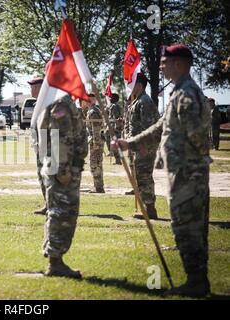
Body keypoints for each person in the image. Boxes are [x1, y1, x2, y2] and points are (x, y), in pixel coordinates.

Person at [113, 44, 212, 297]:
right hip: (183, 172)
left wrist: (187, 165)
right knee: (188, 226)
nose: (161, 66)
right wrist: (130, 142)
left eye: (165, 62)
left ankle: (196, 282)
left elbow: (198, 136)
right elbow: (160, 126)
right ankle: (198, 280)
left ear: (178, 64)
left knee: (186, 226)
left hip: (188, 174)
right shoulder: (179, 92)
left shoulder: (187, 94)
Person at [38, 95, 88, 278]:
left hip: (60, 166)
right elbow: (60, 137)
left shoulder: (58, 101)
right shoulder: (60, 103)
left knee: (59, 212)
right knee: (62, 214)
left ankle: (55, 259)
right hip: (62, 168)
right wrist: (64, 171)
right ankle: (56, 263)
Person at [126, 73, 160, 220]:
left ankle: (150, 210)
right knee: (140, 176)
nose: (129, 87)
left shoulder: (145, 101)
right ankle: (148, 208)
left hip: (144, 147)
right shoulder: (137, 101)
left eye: (132, 83)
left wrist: (144, 146)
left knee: (144, 177)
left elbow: (149, 126)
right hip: (138, 146)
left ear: (139, 85)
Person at [28, 75, 46, 215]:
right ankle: (48, 204)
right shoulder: (38, 104)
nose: (31, 89)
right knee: (42, 176)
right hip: (39, 146)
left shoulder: (47, 103)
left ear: (40, 87)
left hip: (48, 146)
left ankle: (54, 205)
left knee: (50, 176)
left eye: (33, 86)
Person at [84, 94, 105, 193]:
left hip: (95, 141)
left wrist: (96, 142)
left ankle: (99, 187)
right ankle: (98, 186)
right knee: (97, 163)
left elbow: (95, 129)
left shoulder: (93, 112)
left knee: (95, 164)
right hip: (95, 140)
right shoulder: (93, 110)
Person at [104, 93, 123, 165]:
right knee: (113, 144)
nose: (110, 98)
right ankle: (117, 159)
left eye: (111, 97)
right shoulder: (114, 106)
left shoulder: (114, 106)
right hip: (112, 128)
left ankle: (118, 160)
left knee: (115, 144)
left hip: (114, 128)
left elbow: (116, 118)